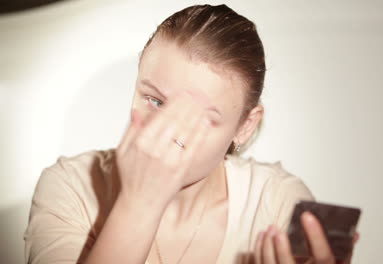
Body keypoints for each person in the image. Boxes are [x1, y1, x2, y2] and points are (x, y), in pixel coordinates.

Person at [23, 4, 359, 264]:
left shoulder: (276, 203)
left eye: (201, 118)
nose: (168, 130)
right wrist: (139, 204)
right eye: (154, 100)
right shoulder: (70, 185)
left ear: (245, 126)